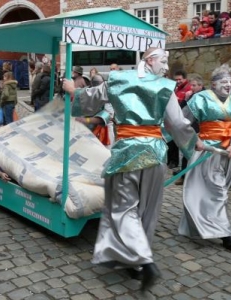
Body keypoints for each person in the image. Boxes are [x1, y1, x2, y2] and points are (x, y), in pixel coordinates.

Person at [63, 47, 203, 291]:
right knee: (147, 209)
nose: (166, 67)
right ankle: (137, 262)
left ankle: (141, 259)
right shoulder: (165, 87)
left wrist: (73, 91)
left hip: (127, 154)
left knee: (123, 208)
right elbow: (178, 123)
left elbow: (91, 98)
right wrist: (193, 142)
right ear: (149, 60)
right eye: (163, 61)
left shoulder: (119, 79)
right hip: (155, 155)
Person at [178, 64, 231, 251]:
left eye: (230, 82)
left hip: (229, 153)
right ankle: (226, 234)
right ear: (214, 84)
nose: (228, 85)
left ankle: (198, 222)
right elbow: (182, 122)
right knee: (218, 192)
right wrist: (195, 140)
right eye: (224, 82)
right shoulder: (200, 98)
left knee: (216, 191)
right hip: (208, 152)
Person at [174, 75, 205, 185]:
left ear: (201, 86)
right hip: (189, 126)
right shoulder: (191, 95)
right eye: (191, 85)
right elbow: (183, 110)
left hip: (199, 128)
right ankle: (184, 176)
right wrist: (186, 99)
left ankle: (195, 178)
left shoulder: (204, 96)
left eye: (194, 85)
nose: (191, 87)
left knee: (197, 153)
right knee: (186, 152)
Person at [167, 70, 192, 169]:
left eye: (180, 79)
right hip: (175, 116)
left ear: (185, 79)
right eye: (176, 79)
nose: (178, 81)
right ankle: (172, 160)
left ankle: (177, 162)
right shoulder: (177, 88)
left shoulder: (188, 88)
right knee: (171, 140)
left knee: (178, 142)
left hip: (183, 117)